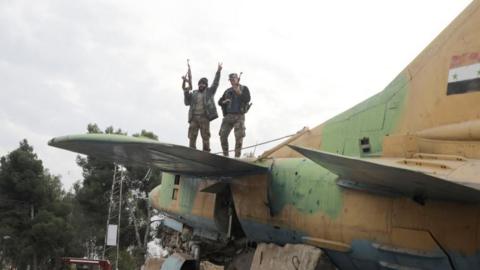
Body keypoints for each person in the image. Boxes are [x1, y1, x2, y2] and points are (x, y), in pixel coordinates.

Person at [183, 63, 222, 152]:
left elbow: (215, 83)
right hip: (194, 118)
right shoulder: (194, 93)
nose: (201, 85)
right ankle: (192, 151)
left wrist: (218, 72)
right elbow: (187, 102)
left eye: (203, 84)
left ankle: (206, 152)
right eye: (200, 83)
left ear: (206, 85)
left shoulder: (209, 92)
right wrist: (185, 92)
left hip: (204, 117)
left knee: (205, 136)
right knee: (192, 136)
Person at [218, 73, 251, 157]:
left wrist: (239, 92)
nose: (232, 81)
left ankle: (237, 157)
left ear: (237, 79)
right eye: (231, 80)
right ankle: (226, 155)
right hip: (228, 116)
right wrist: (223, 102)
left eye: (233, 79)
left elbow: (247, 99)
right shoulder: (227, 91)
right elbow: (219, 101)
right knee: (222, 135)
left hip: (239, 116)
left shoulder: (244, 88)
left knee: (239, 137)